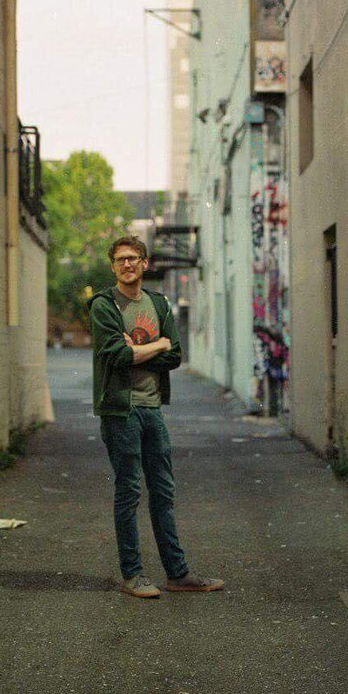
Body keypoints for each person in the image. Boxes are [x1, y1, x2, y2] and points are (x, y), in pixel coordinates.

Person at [88, 235, 224, 598]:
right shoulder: (103, 306)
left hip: (152, 409)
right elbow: (116, 355)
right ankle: (133, 575)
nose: (127, 264)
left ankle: (177, 574)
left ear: (145, 264)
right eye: (120, 259)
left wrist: (143, 349)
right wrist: (156, 344)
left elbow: (174, 354)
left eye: (133, 258)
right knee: (129, 491)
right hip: (120, 410)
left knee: (163, 491)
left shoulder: (158, 303)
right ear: (113, 266)